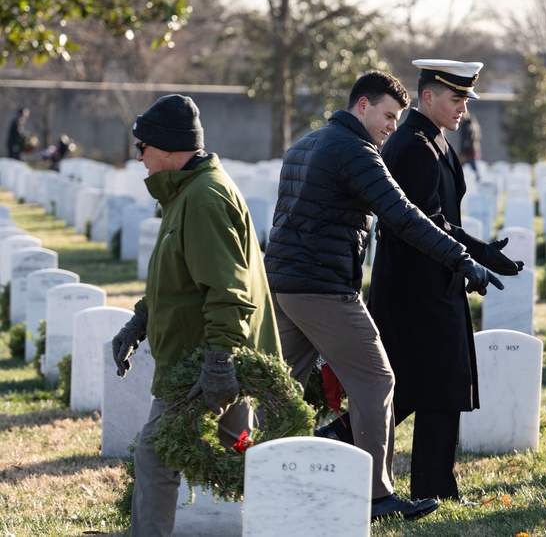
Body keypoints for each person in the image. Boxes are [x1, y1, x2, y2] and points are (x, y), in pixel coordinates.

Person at [264, 69, 505, 522]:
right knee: (377, 381)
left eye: (397, 118)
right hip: (323, 287)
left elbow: (283, 219)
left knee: (285, 387)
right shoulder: (355, 152)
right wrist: (462, 259)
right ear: (362, 106)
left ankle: (254, 473)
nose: (392, 127)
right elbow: (404, 217)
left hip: (283, 282)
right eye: (389, 116)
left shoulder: (305, 144)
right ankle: (376, 496)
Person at [110, 94, 281, 536]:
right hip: (199, 353)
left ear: (167, 147)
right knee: (239, 451)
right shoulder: (185, 193)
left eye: (141, 146)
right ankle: (295, 514)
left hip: (204, 358)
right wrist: (140, 321)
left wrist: (220, 361)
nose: (138, 156)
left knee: (156, 453)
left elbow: (227, 290)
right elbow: (179, 277)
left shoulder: (204, 199)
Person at [368, 59, 524, 501]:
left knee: (432, 391)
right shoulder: (415, 144)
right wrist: (477, 253)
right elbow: (426, 223)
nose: (462, 109)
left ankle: (434, 487)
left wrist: (480, 251)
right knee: (427, 390)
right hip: (417, 291)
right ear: (428, 96)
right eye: (456, 99)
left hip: (431, 285)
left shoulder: (431, 138)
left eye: (465, 101)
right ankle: (336, 445)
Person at [457, 110, 482, 181]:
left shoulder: (466, 125)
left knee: (460, 167)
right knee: (474, 168)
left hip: (468, 151)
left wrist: (462, 152)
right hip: (475, 149)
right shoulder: (474, 124)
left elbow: (466, 140)